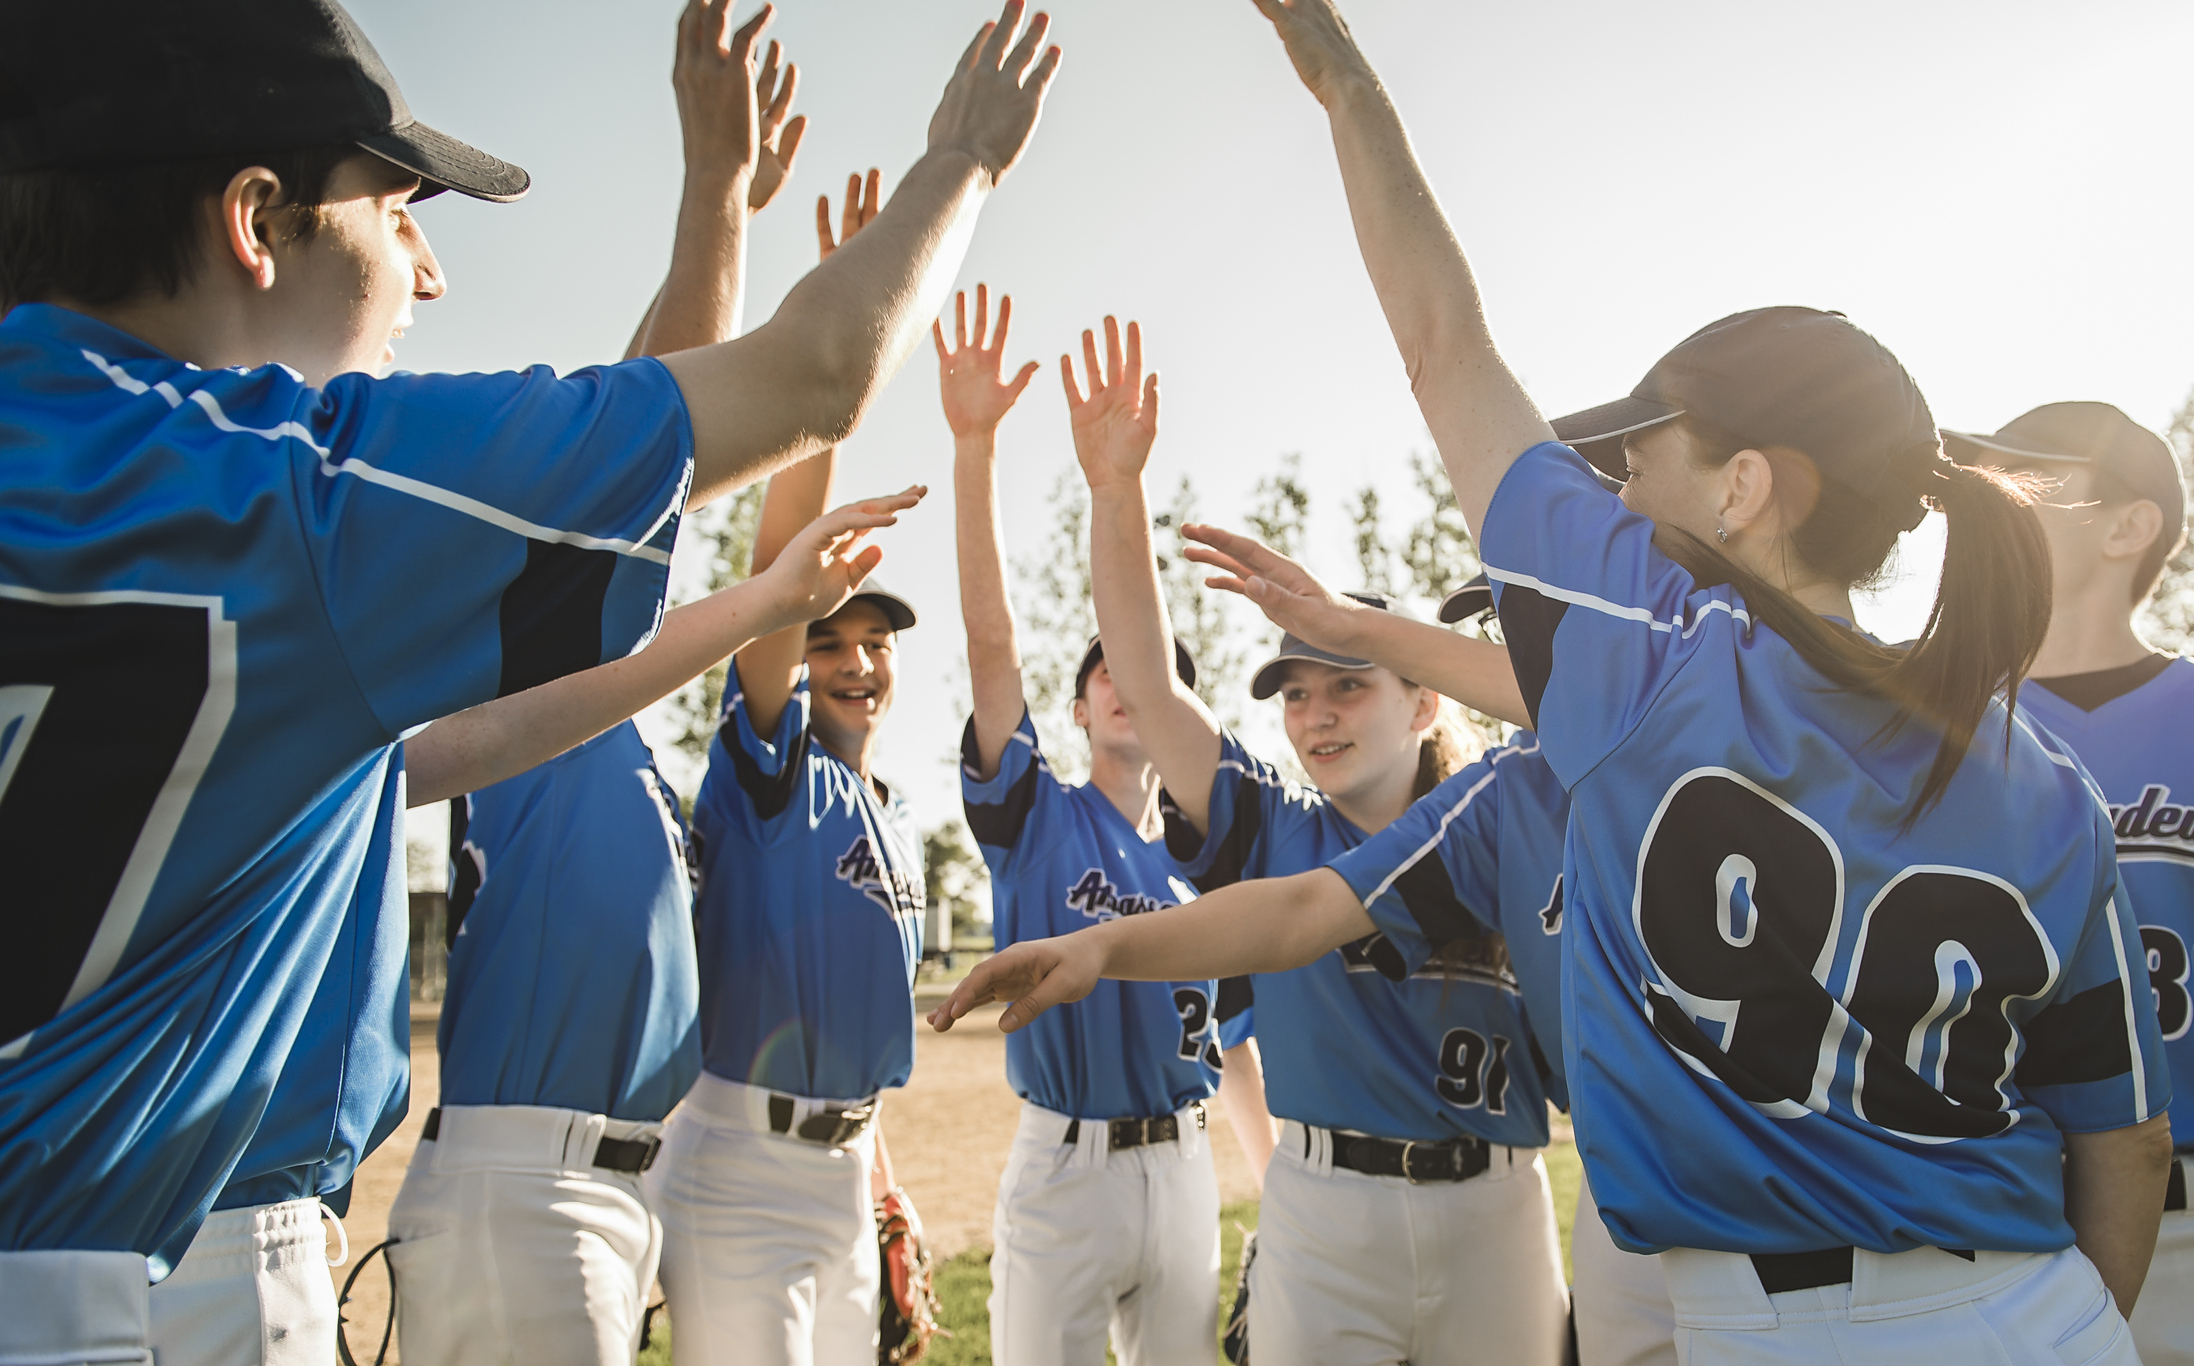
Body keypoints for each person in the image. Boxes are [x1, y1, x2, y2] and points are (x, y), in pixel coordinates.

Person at [944, 2, 2174, 1360]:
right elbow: (2118, 1138)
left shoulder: (1641, 659)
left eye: (1650, 443)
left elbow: (1441, 343)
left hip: (1765, 1320)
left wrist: (1345, 89)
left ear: (1749, 487)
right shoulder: (2039, 770)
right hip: (2026, 1309)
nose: (1622, 476)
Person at [0, 0, 1059, 1354]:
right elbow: (814, 370)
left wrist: (749, 600)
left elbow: (450, 746)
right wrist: (964, 152)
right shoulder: (292, 494)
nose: (428, 272)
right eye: (397, 211)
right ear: (256, 219)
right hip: (119, 1282)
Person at [367, 21, 811, 1366]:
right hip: (527, 1185)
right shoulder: (538, 679)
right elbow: (648, 429)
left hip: (606, 1189)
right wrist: (714, 203)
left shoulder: (618, 739)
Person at [1063, 313, 1567, 1366]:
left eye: (1347, 683)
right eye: (1294, 693)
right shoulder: (1270, 828)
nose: (1315, 714)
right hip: (1325, 1209)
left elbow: (1581, 707)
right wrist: (1116, 496)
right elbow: (1151, 688)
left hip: (1496, 1209)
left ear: (1425, 701)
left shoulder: (1503, 809)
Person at [940, 284, 1266, 1365]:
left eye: (1155, 671)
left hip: (1181, 1170)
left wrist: (1270, 1187)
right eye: (1104, 673)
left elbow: (1238, 1050)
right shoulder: (1033, 813)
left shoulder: (1211, 857)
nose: (1130, 682)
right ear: (1077, 709)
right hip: (1064, 1168)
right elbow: (993, 645)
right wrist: (975, 446)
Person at [1940, 403, 2194, 1364]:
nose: (1993, 500)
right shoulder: (1935, 728)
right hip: (1993, 1223)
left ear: (2130, 527)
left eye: (2032, 478)